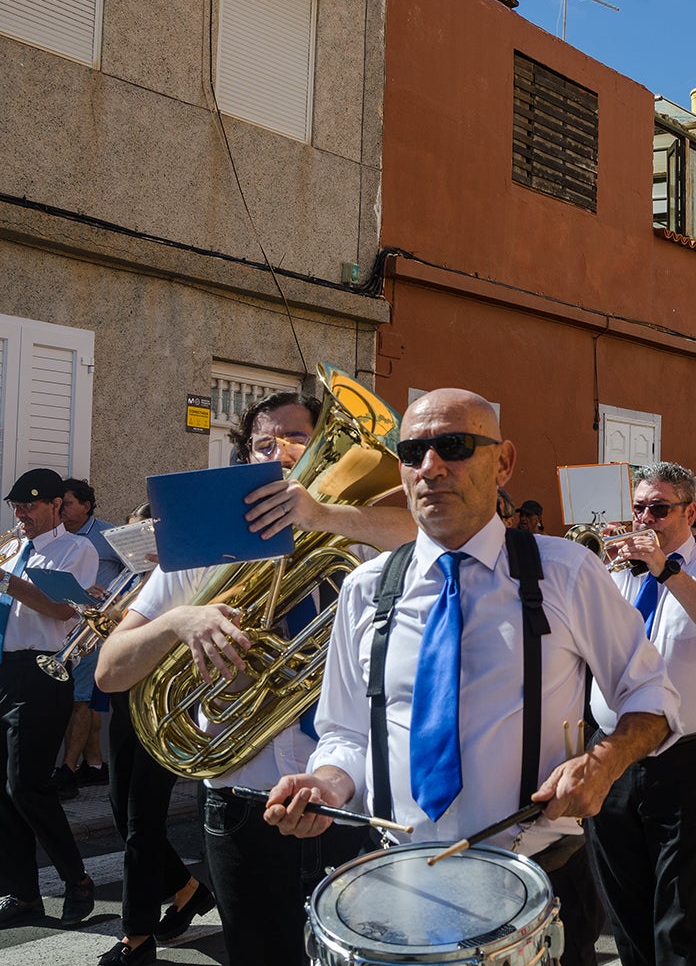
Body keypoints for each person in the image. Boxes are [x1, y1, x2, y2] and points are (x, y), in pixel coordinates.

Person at [263, 389, 677, 966]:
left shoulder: (565, 572)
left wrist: (603, 763)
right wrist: (327, 785)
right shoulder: (364, 588)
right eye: (413, 453)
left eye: (454, 446)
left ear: (503, 462)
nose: (431, 467)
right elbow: (347, 733)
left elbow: (653, 695)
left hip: (539, 886)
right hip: (397, 884)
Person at [97, 389, 416, 965]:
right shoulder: (202, 549)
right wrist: (177, 622)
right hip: (244, 804)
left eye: (297, 438)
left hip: (353, 798)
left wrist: (322, 516)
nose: (281, 452)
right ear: (246, 458)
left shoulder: (357, 538)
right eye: (264, 443)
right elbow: (109, 671)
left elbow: (428, 536)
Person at [591, 461, 696, 966]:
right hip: (614, 751)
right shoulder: (616, 570)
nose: (645, 519)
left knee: (681, 906)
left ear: (690, 513)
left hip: (687, 754)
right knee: (624, 900)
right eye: (639, 508)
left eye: (659, 509)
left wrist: (666, 569)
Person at [0, 468, 99, 929]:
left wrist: (6, 581)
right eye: (16, 507)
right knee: (3, 790)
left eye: (30, 506)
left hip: (42, 671)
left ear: (56, 505)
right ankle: (22, 893)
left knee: (27, 784)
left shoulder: (77, 550)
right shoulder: (12, 548)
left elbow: (61, 609)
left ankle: (77, 880)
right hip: (5, 670)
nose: (21, 515)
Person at [55, 477, 122, 796]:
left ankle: (67, 771)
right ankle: (94, 765)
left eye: (67, 504)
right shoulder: (56, 535)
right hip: (60, 626)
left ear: (85, 505)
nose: (61, 510)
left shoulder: (108, 535)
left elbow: (139, 572)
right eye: (59, 504)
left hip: (92, 631)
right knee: (81, 703)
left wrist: (113, 600)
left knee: (80, 702)